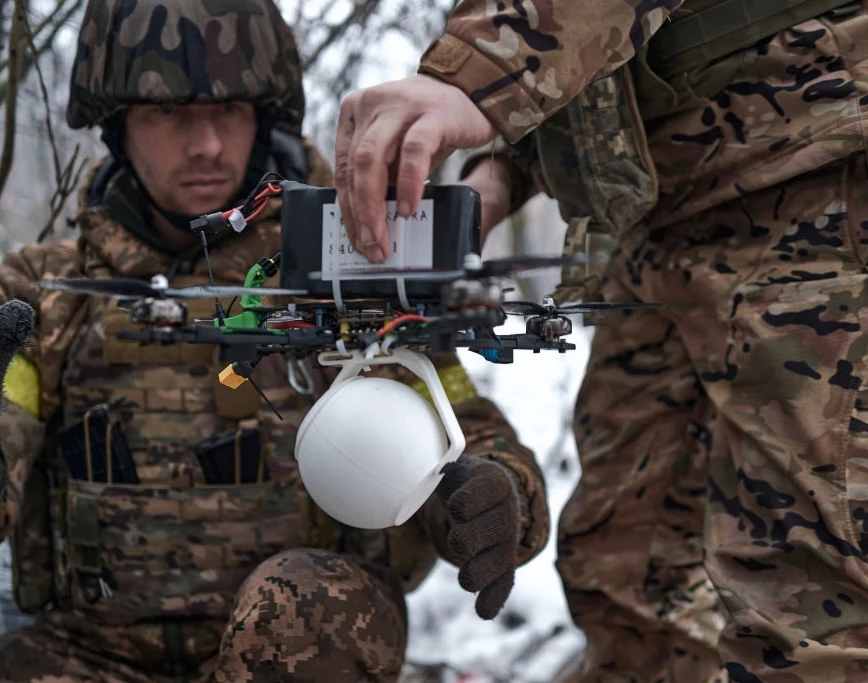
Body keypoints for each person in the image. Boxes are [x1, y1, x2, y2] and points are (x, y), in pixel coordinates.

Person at [0, 1, 552, 681]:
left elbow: (464, 430)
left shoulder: (354, 272)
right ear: (117, 126)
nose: (206, 144)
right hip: (95, 653)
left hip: (307, 646)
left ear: (265, 115)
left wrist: (497, 498)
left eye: (227, 109)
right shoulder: (45, 295)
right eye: (168, 113)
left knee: (310, 604)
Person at [333, 1, 868, 681]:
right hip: (662, 211)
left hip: (812, 180)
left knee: (811, 604)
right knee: (622, 564)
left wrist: (476, 74)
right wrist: (507, 168)